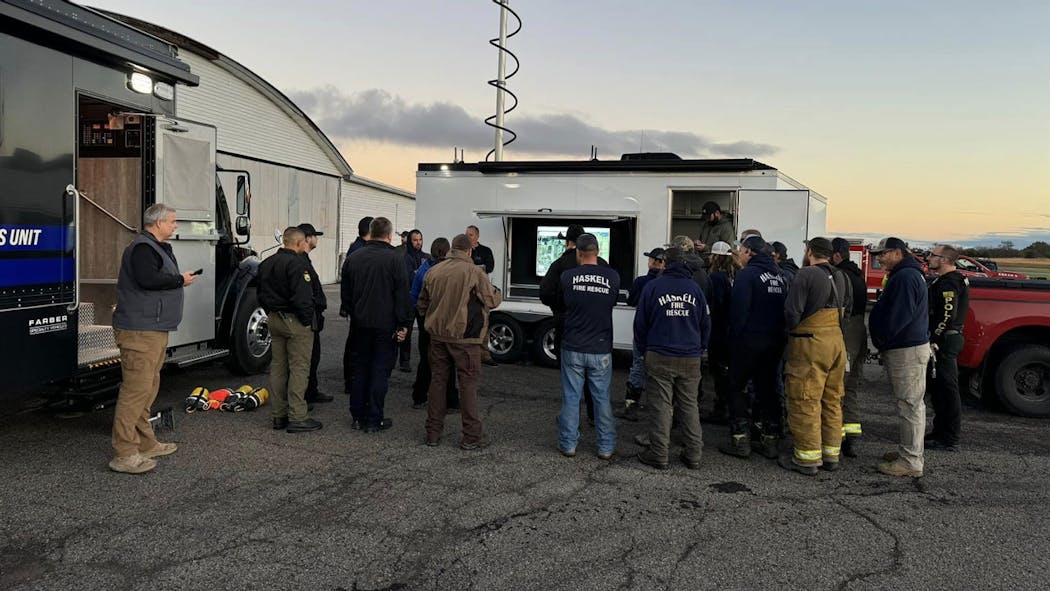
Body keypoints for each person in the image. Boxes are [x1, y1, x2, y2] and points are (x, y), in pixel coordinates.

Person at [109, 203, 196, 474]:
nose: (175, 225)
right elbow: (148, 279)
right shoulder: (142, 248)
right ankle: (124, 453)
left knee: (148, 386)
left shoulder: (154, 247)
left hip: (152, 329)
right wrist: (179, 280)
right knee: (135, 391)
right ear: (158, 223)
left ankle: (146, 442)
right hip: (139, 331)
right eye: (172, 221)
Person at [418, 234, 502, 450]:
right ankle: (471, 436)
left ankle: (433, 433)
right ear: (469, 251)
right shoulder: (475, 272)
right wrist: (498, 292)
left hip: (437, 336)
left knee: (437, 382)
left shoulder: (433, 271)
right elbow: (491, 300)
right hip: (466, 338)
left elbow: (421, 304)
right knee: (468, 385)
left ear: (451, 249)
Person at [633, 247, 711, 470]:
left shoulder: (653, 287)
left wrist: (644, 349)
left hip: (659, 354)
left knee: (661, 406)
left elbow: (640, 324)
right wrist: (699, 348)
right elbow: (706, 324)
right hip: (690, 356)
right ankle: (694, 454)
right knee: (689, 406)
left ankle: (659, 454)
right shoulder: (695, 290)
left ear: (665, 264)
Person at [779, 237, 851, 475]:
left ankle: (807, 458)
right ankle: (831, 455)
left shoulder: (806, 274)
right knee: (832, 400)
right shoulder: (842, 276)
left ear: (810, 251)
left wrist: (791, 332)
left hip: (810, 343)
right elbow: (847, 310)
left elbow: (792, 312)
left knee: (805, 399)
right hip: (836, 342)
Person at [719, 236, 788, 460]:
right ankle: (770, 441)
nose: (737, 254)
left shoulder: (746, 275)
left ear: (750, 252)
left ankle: (741, 441)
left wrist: (734, 342)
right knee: (768, 391)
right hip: (774, 343)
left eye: (740, 250)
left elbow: (738, 313)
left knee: (737, 388)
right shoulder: (781, 276)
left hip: (749, 343)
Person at [344, 217, 413, 433]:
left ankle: (357, 416)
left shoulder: (354, 258)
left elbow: (346, 294)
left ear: (371, 232)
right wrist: (403, 324)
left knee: (360, 369)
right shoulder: (395, 259)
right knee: (380, 371)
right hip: (385, 325)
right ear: (389, 235)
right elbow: (402, 294)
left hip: (360, 323)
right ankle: (374, 418)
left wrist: (353, 313)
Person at [868, 237, 930, 478]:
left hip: (906, 349)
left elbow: (898, 316)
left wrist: (883, 341)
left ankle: (911, 461)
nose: (879, 258)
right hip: (906, 347)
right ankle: (909, 451)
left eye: (882, 254)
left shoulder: (905, 277)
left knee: (910, 405)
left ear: (896, 253)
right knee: (908, 403)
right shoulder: (906, 274)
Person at [556, 233, 620, 459]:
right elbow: (610, 303)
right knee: (602, 398)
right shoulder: (613, 277)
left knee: (571, 397)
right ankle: (605, 447)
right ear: (598, 252)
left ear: (578, 253)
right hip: (600, 346)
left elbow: (563, 303)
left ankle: (568, 444)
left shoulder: (567, 276)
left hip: (573, 344)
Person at [539, 224, 608, 424]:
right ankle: (595, 417)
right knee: (595, 381)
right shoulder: (603, 265)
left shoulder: (560, 264)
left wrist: (559, 308)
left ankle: (571, 420)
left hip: (568, 328)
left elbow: (544, 292)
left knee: (571, 380)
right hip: (598, 331)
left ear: (569, 242)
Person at [258, 227, 321, 433]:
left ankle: (279, 415)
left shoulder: (266, 263)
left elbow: (260, 293)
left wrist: (271, 312)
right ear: (298, 243)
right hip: (294, 320)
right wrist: (306, 321)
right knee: (299, 368)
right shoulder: (297, 264)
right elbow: (302, 297)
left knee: (278, 367)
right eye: (304, 242)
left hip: (274, 318)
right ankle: (298, 416)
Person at [926, 243, 969, 452]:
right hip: (945, 339)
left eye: (933, 255)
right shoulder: (949, 280)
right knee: (938, 390)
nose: (928, 258)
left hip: (945, 341)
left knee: (947, 389)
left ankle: (949, 438)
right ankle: (939, 432)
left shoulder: (949, 283)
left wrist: (935, 337)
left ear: (943, 260)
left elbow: (947, 315)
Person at [410, 237, 460, 411]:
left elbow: (414, 297)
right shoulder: (449, 271)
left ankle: (419, 396)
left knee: (425, 360)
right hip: (445, 321)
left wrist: (420, 316)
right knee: (448, 361)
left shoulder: (423, 269)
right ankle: (450, 399)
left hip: (426, 320)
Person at [619, 246, 666, 421]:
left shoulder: (641, 281)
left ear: (654, 262)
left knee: (638, 367)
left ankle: (631, 406)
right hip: (660, 335)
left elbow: (631, 301)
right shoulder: (666, 283)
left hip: (642, 331)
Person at [831, 237, 868, 457]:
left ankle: (837, 437)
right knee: (851, 386)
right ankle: (851, 435)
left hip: (847, 337)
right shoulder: (857, 276)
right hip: (860, 335)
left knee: (837, 387)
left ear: (836, 255)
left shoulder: (841, 277)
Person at [701, 241, 738, 424]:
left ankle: (721, 409)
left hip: (718, 330)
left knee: (718, 372)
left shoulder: (715, 277)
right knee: (726, 371)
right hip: (729, 331)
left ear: (716, 256)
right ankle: (726, 406)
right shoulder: (733, 275)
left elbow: (713, 305)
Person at [297, 223, 332, 404]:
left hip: (311, 316)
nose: (317, 239)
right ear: (308, 238)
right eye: (315, 236)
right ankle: (305, 396)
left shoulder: (304, 260)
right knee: (307, 358)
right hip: (307, 318)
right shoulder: (300, 262)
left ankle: (312, 390)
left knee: (313, 357)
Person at [340, 216, 373, 395]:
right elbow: (349, 281)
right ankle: (351, 381)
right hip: (360, 305)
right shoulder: (359, 250)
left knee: (355, 343)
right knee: (355, 345)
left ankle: (353, 380)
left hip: (356, 304)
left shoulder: (356, 248)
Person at [466, 224, 498, 367]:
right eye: (466, 235)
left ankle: (484, 354)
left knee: (484, 322)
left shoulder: (485, 251)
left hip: (481, 291)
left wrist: (477, 268)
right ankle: (466, 355)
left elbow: (490, 267)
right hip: (466, 292)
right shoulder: (463, 251)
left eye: (471, 235)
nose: (468, 237)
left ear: (477, 236)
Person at [398, 229, 429, 373]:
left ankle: (425, 358)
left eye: (420, 239)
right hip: (409, 300)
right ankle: (404, 360)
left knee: (424, 331)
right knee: (407, 330)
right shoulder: (405, 258)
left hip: (422, 300)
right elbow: (409, 277)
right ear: (410, 241)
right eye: (415, 240)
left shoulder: (426, 257)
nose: (418, 242)